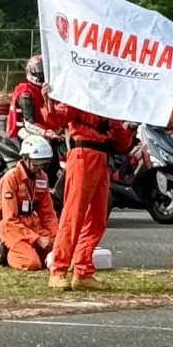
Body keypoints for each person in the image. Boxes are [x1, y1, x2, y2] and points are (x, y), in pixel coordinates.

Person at [41, 91, 132, 291]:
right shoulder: (79, 95)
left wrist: (130, 128)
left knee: (97, 218)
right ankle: (58, 270)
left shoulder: (109, 104)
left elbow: (121, 142)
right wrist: (48, 100)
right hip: (83, 155)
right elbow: (56, 118)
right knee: (73, 216)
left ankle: (82, 271)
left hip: (102, 159)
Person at [0, 135, 60, 271]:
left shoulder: (42, 177)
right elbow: (9, 220)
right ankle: (7, 251)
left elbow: (48, 214)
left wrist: (56, 236)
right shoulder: (11, 178)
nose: (40, 167)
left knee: (61, 251)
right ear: (25, 158)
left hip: (33, 226)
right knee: (32, 264)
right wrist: (37, 239)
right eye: (37, 163)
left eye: (44, 163)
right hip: (13, 229)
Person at [6, 55, 51, 140]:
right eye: (40, 68)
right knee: (43, 145)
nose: (43, 72)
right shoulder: (25, 92)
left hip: (44, 128)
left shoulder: (49, 90)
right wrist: (46, 133)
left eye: (45, 69)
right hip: (23, 131)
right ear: (31, 70)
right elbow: (29, 123)